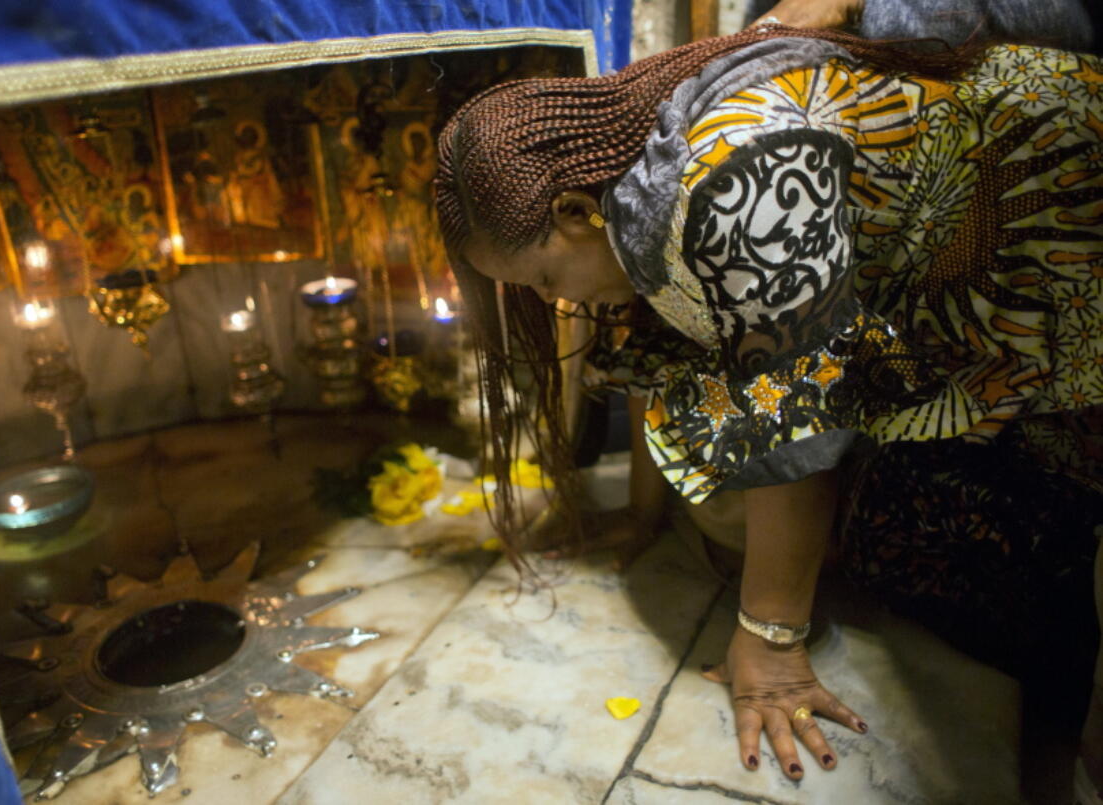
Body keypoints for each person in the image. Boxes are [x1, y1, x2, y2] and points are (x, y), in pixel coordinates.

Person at [435, 21, 1103, 793]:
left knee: (994, 589)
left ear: (577, 212)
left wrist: (772, 643)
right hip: (958, 277)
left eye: (544, 280)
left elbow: (799, 423)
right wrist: (645, 517)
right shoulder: (636, 193)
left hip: (1063, 215)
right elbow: (677, 352)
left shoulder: (739, 175)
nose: (556, 302)